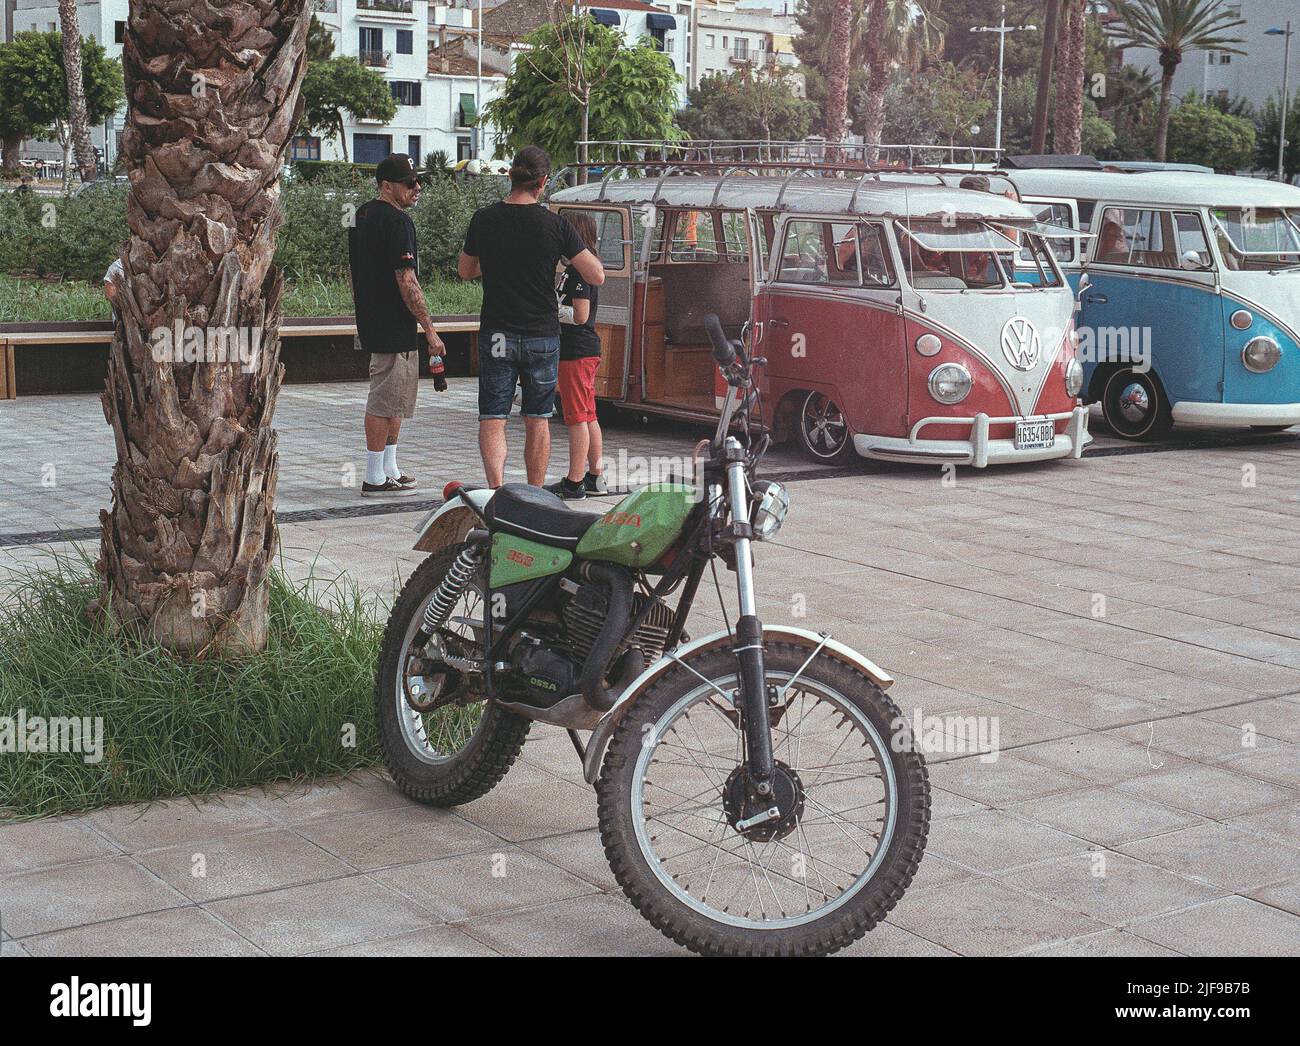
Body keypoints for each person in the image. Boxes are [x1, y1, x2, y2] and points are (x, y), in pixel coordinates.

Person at [459, 146, 605, 488]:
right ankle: (534, 493)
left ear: (511, 175)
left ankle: (496, 489)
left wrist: (498, 262)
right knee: (537, 419)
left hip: (497, 333)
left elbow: (466, 271)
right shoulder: (556, 224)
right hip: (542, 334)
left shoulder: (484, 219)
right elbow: (596, 275)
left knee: (493, 416)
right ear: (543, 182)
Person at [348, 153, 446, 498]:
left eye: (418, 181)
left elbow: (353, 271)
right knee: (384, 400)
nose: (416, 188)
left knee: (397, 398)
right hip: (393, 323)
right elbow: (407, 280)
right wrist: (430, 330)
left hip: (375, 319)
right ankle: (374, 476)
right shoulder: (399, 222)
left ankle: (389, 467)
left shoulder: (360, 215)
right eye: (409, 183)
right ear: (387, 186)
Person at [548, 211, 606, 500]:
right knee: (588, 413)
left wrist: (549, 310)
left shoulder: (578, 271)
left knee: (576, 417)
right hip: (583, 351)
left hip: (576, 351)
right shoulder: (578, 268)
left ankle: (574, 482)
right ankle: (595, 476)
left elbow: (581, 315)